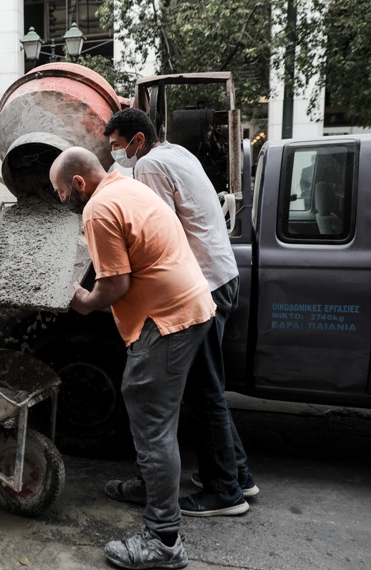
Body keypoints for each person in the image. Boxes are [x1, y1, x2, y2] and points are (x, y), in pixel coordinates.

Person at [50, 147, 215, 570]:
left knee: (151, 423)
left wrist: (83, 302)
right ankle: (149, 484)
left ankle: (164, 540)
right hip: (189, 307)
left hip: (165, 320)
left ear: (79, 184)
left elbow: (115, 283)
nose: (60, 200)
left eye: (60, 191)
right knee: (159, 416)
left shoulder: (97, 210)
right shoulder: (127, 185)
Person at [104, 108, 257, 518]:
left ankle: (224, 491)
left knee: (203, 393)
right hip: (223, 274)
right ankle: (237, 473)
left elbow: (156, 231)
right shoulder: (177, 152)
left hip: (201, 282)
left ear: (137, 140)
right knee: (210, 388)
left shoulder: (150, 165)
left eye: (117, 146)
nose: (116, 154)